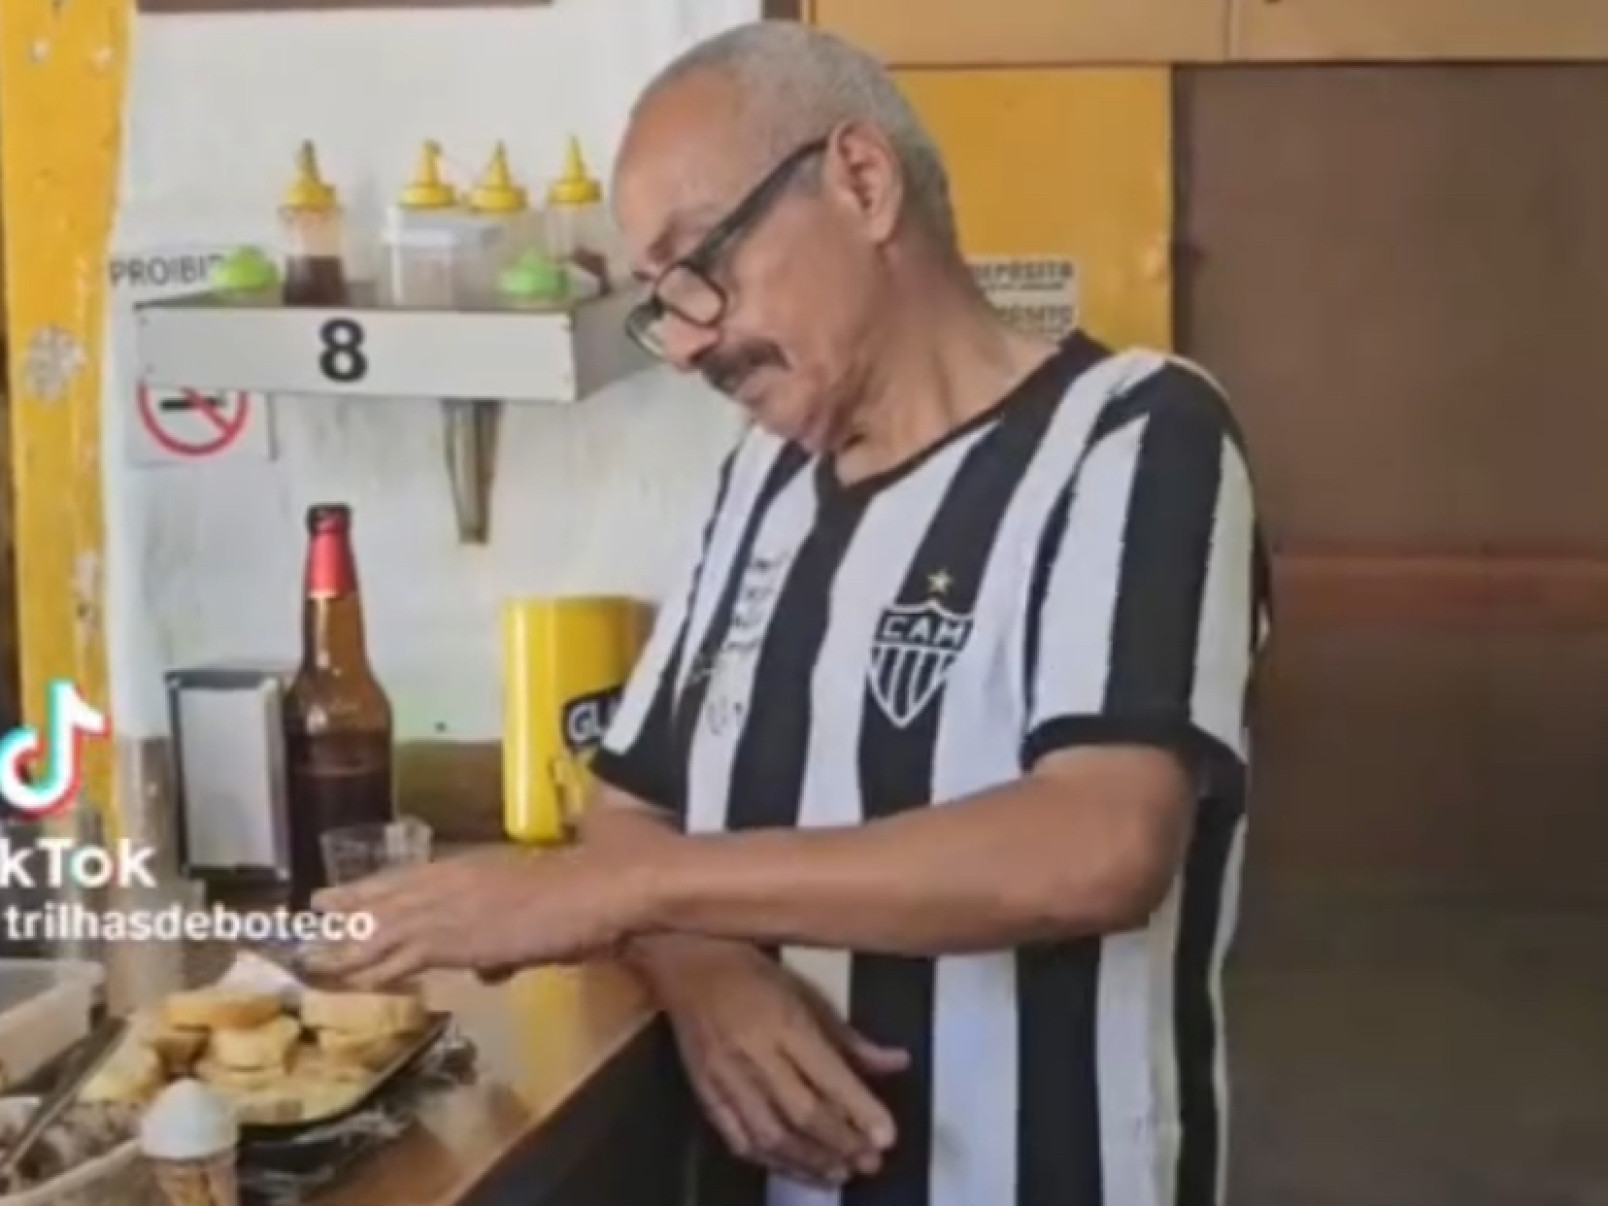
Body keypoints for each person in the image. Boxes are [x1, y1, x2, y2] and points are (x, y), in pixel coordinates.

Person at [313, 20, 1271, 1206]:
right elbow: (631, 810)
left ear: (861, 183)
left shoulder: (1134, 436)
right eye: (662, 303)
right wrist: (707, 969)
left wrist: (631, 899)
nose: (694, 340)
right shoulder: (759, 484)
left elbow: (1099, 843)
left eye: (700, 264)